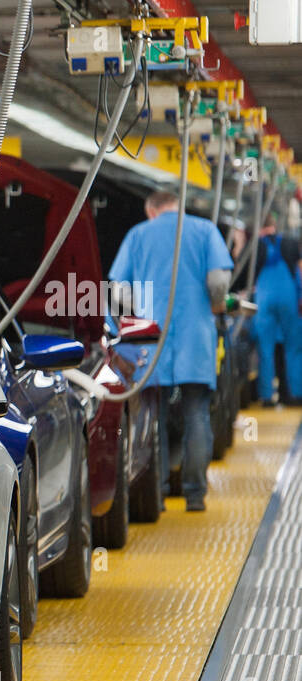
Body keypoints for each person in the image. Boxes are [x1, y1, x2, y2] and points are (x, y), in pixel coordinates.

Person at [109, 190, 233, 513]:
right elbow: (220, 281)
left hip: (151, 340)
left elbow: (118, 290)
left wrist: (122, 329)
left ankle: (158, 492)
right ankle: (194, 494)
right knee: (196, 413)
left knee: (154, 417)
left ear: (151, 210)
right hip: (196, 338)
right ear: (177, 205)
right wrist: (216, 303)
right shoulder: (204, 230)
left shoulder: (138, 235)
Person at [246, 215, 302, 404]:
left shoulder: (255, 246)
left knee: (265, 349)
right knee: (294, 348)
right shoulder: (290, 243)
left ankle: (266, 396)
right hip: (289, 298)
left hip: (264, 298)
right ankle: (296, 393)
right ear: (274, 226)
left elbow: (243, 274)